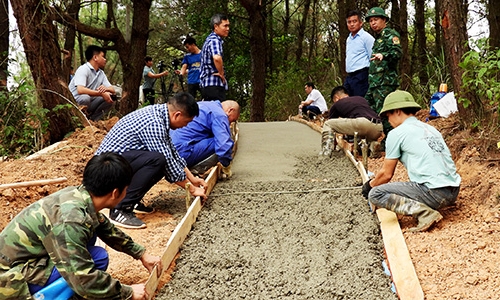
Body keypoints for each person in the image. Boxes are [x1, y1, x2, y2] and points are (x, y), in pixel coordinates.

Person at [0, 153, 162, 299]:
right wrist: (128, 292)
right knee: (97, 258)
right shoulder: (71, 220)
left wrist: (141, 254)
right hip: (9, 281)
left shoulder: (78, 196)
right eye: (126, 189)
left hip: (24, 262)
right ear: (115, 193)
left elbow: (104, 227)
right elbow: (83, 279)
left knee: (91, 240)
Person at [95, 92, 207, 229]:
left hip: (119, 164)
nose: (185, 127)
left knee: (161, 159)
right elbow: (168, 164)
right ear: (177, 115)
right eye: (186, 122)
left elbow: (172, 154)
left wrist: (193, 179)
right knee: (158, 160)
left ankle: (133, 201)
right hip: (106, 170)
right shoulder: (154, 122)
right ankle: (120, 208)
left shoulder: (160, 117)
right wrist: (192, 190)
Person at [362, 91, 461, 232]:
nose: (388, 121)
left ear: (397, 111)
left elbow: (386, 175)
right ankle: (429, 206)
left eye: (388, 116)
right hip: (453, 191)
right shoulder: (431, 129)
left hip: (433, 193)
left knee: (376, 194)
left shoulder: (397, 133)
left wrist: (369, 186)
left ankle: (425, 214)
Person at [171, 100, 240, 176]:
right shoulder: (219, 114)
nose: (229, 123)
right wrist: (226, 165)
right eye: (232, 120)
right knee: (225, 141)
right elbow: (223, 144)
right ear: (230, 110)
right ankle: (196, 169)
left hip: (168, 153)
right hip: (182, 153)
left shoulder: (203, 105)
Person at [319, 86, 383, 157]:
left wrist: (334, 144)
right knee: (360, 141)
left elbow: (331, 126)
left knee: (328, 124)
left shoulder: (337, 104)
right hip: (378, 127)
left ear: (336, 97)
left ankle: (325, 152)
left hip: (362, 123)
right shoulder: (361, 99)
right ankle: (372, 145)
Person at [364, 7, 402, 114]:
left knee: (384, 113)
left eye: (375, 19)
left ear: (384, 20)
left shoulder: (390, 34)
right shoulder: (378, 38)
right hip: (375, 83)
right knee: (366, 109)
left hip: (385, 83)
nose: (373, 23)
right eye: (371, 21)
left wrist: (384, 55)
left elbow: (397, 53)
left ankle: (389, 131)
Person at [69, 45, 116, 121]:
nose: (105, 59)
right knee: (85, 98)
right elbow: (80, 90)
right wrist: (101, 93)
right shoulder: (83, 69)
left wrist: (106, 89)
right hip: (75, 102)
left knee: (110, 98)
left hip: (89, 102)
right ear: (95, 57)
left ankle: (93, 121)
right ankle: (79, 120)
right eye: (103, 57)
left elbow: (112, 90)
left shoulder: (101, 73)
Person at [200, 13, 230, 101]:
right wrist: (221, 73)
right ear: (216, 26)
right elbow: (217, 58)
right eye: (225, 26)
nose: (228, 29)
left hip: (208, 85)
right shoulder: (214, 40)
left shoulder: (209, 39)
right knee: (217, 112)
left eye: (228, 26)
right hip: (213, 84)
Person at [344, 10, 375, 97]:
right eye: (349, 22)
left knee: (360, 102)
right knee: (346, 101)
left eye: (354, 21)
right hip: (350, 76)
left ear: (360, 23)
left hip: (361, 75)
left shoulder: (366, 37)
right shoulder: (349, 39)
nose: (352, 24)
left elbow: (372, 58)